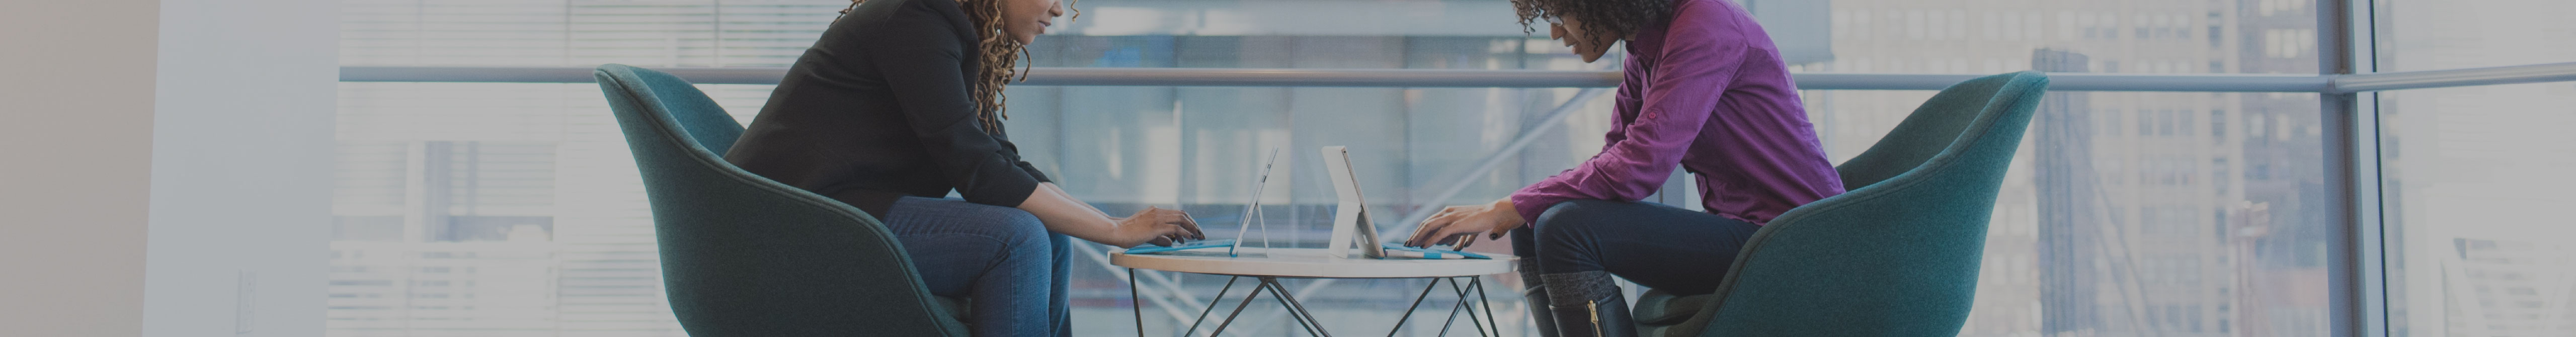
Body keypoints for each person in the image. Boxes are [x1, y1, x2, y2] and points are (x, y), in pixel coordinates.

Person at [722, 0, 1205, 335]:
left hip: (842, 206)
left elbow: (1001, 162)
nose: (1061, 11)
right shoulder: (915, 21)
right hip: (786, 223)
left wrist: (1108, 222)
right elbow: (977, 170)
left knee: (1048, 231)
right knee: (1015, 239)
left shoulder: (948, 31)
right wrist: (1113, 229)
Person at [1401, 0, 1846, 335]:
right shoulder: (1644, 50)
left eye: (1561, 13)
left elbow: (1640, 168)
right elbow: (1616, 154)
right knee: (1537, 221)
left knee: (1562, 226)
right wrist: (1518, 207)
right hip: (1750, 232)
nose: (1556, 33)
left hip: (1795, 243)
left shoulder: (1704, 26)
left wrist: (1509, 205)